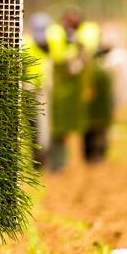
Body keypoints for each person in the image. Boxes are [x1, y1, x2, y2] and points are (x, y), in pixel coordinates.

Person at [45, 9, 101, 170]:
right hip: (61, 87)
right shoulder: (57, 34)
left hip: (77, 86)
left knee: (87, 123)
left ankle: (91, 158)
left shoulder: (86, 35)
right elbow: (59, 57)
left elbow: (83, 56)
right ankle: (58, 164)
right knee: (58, 127)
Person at [23, 13, 53, 169]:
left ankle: (41, 162)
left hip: (43, 91)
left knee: (43, 128)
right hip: (29, 91)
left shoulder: (51, 45)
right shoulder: (26, 44)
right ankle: (37, 162)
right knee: (34, 127)